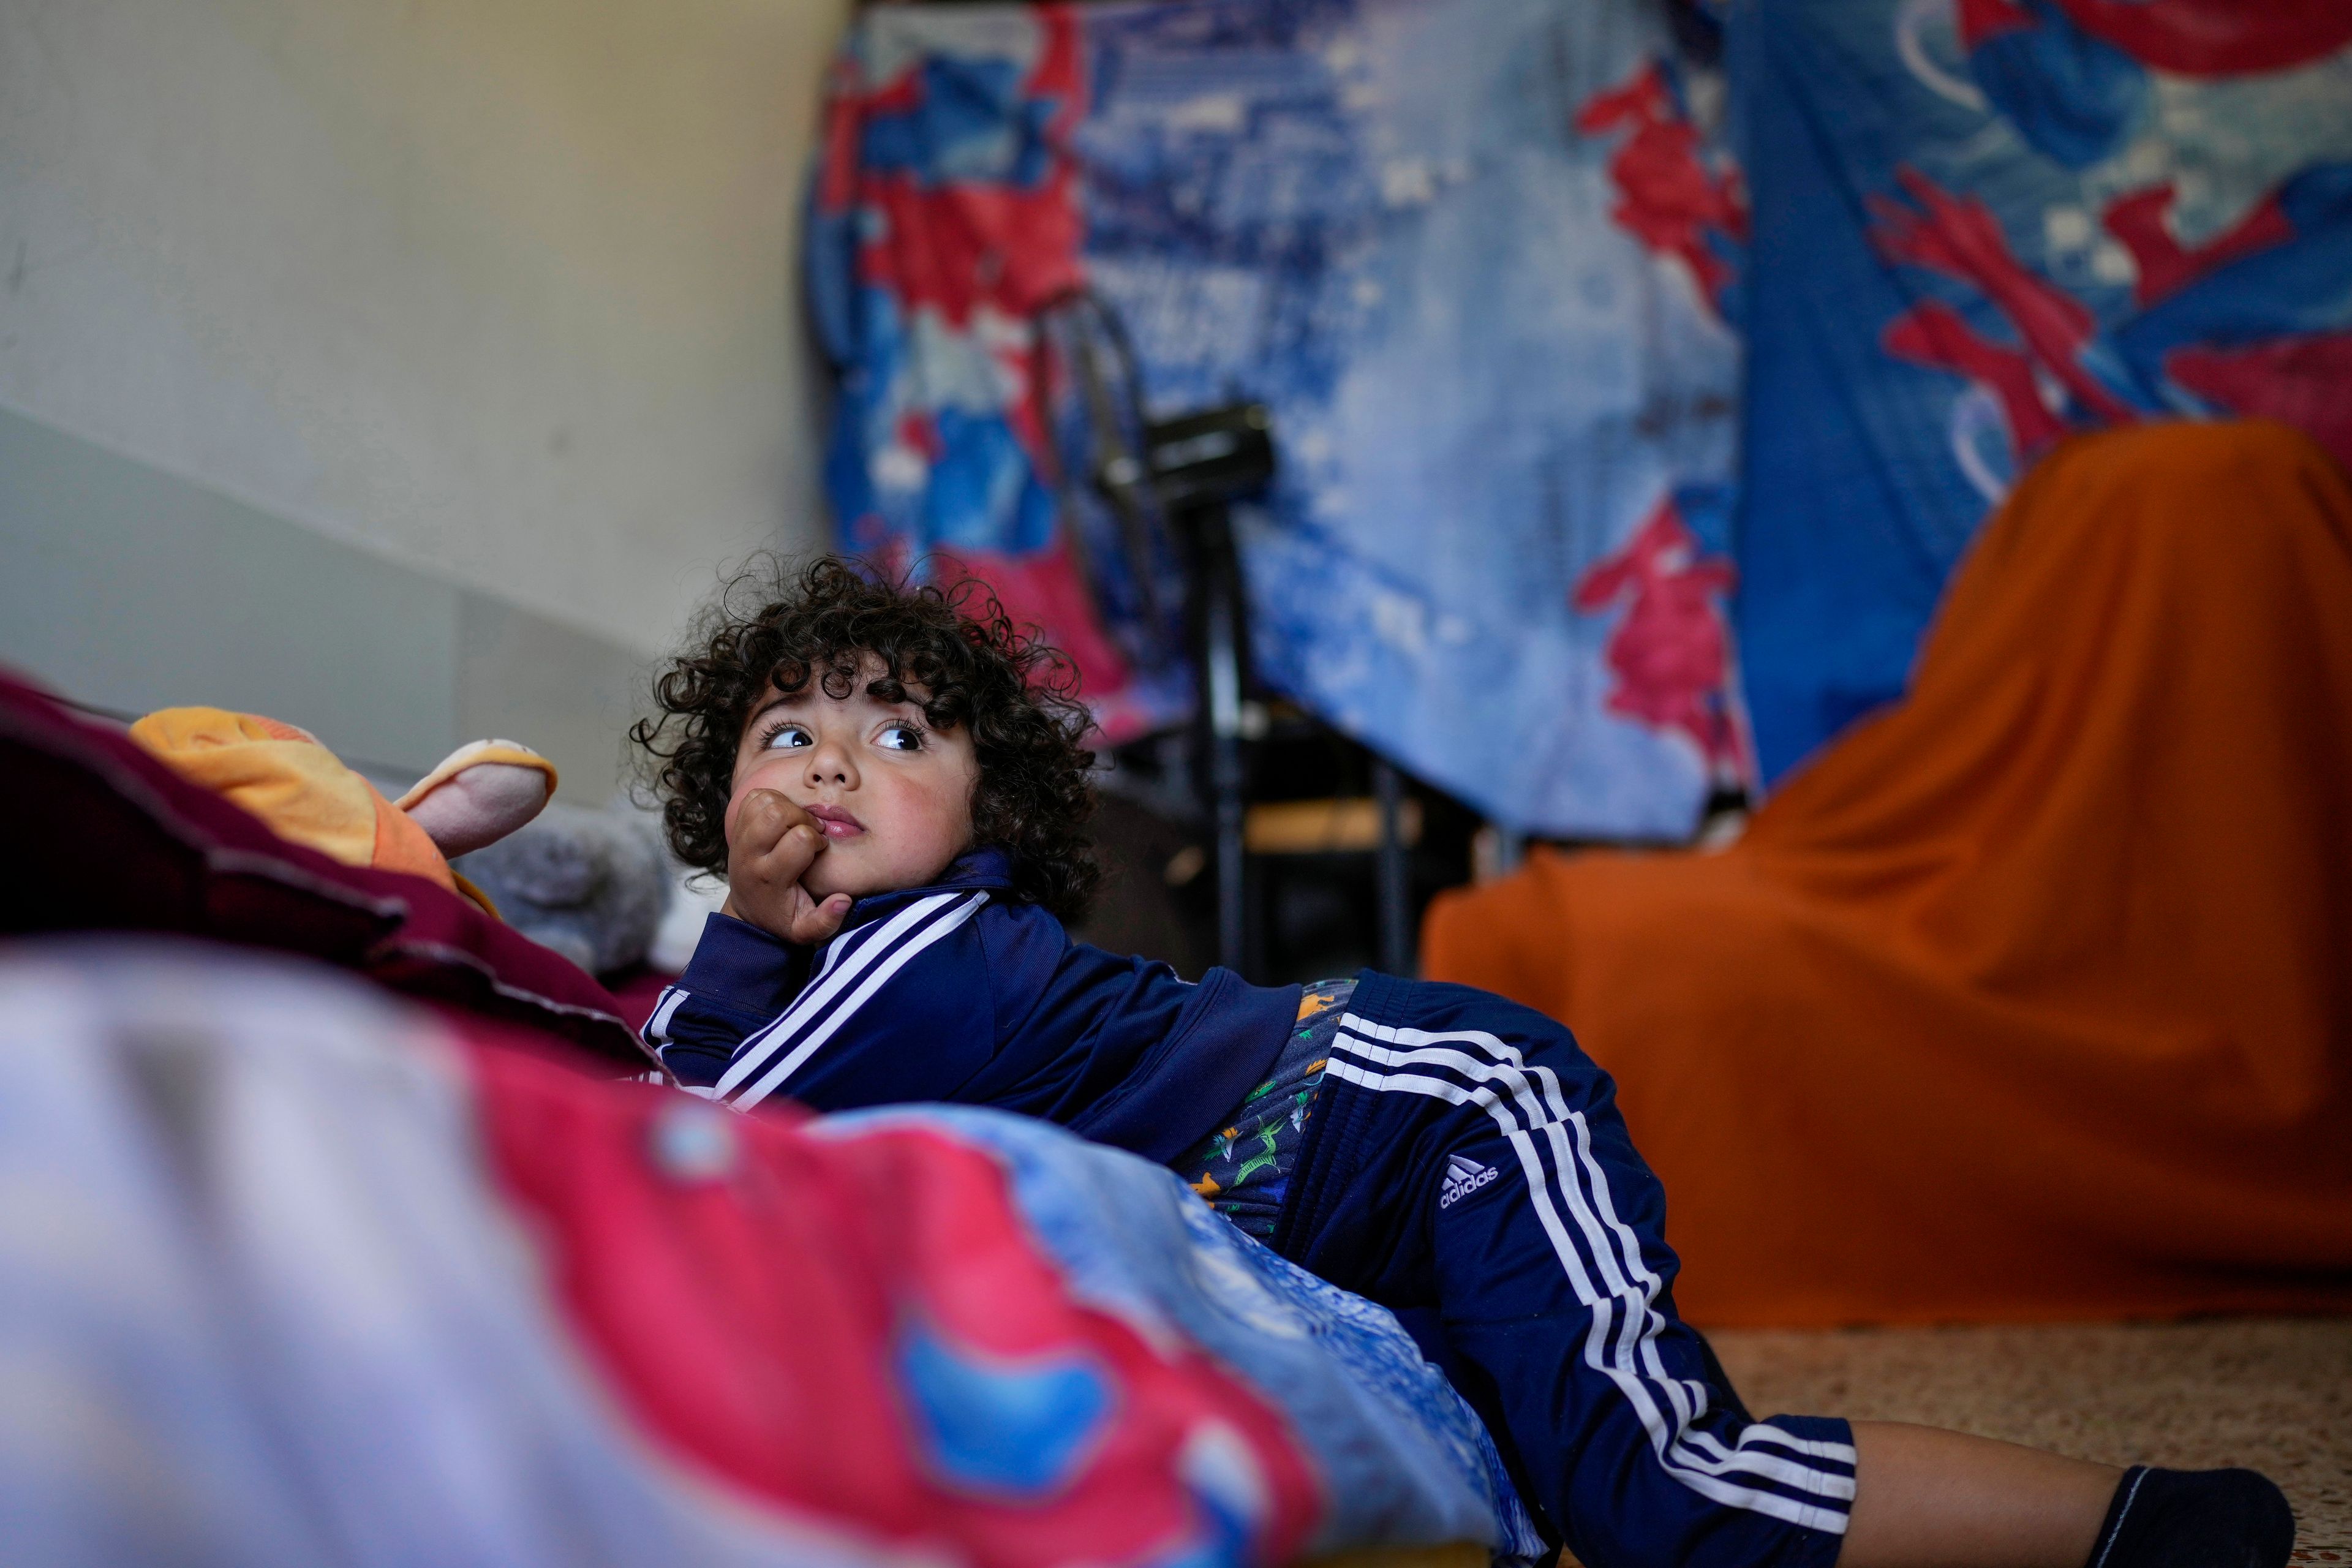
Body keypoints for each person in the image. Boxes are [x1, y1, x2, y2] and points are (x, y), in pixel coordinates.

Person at [632, 558, 2294, 1568]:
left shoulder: (934, 958)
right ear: (722, 789)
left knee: (1663, 1503)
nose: (834, 760)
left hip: (1429, 1112)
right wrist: (752, 937)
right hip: (1342, 1223)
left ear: (985, 825)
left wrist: (749, 932)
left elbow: (681, 1127)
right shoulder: (837, 982)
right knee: (1507, 1498)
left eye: (900, 735)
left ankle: (2170, 1531)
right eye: (790, 732)